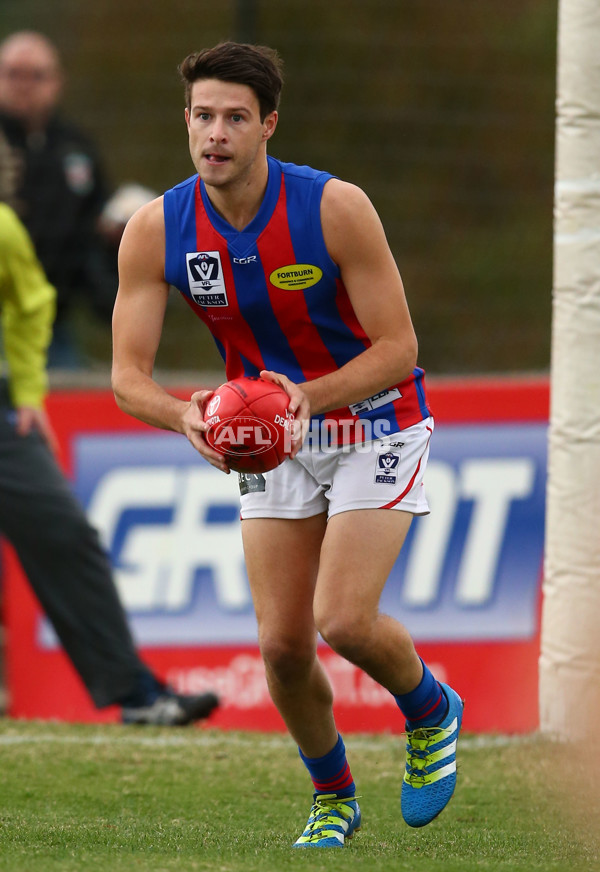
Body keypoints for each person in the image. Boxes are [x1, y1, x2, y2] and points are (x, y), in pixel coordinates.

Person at [111, 41, 463, 845]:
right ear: (187, 122)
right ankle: (334, 796)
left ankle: (432, 710)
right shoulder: (156, 229)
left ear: (269, 125)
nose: (216, 134)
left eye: (236, 117)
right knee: (280, 646)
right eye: (203, 116)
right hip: (270, 440)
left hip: (371, 417)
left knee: (343, 618)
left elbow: (399, 346)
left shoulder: (334, 207)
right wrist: (185, 415)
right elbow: (127, 376)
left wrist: (311, 396)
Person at [0, 132, 219, 726]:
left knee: (66, 535)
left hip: (4, 417)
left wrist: (25, 390)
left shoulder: (4, 229)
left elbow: (32, 303)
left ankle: (138, 697)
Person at [0, 31, 115, 367]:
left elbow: (97, 219)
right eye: (12, 74)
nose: (24, 85)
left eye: (36, 75)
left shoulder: (77, 148)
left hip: (53, 322)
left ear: (57, 82)